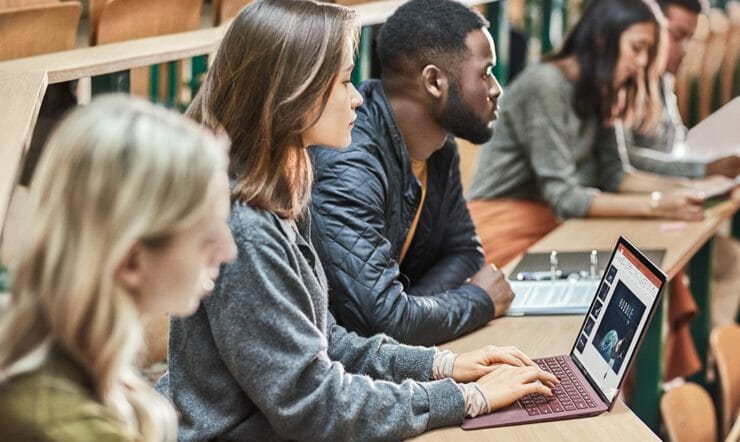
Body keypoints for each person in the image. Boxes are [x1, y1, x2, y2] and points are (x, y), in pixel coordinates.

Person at [158, 0, 558, 440]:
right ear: (294, 93)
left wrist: (443, 364)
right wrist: (467, 399)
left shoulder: (281, 195)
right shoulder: (248, 230)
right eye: (345, 81)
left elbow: (326, 340)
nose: (357, 97)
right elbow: (313, 403)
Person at [0, 95, 237, 441]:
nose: (228, 251)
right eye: (205, 235)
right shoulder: (64, 427)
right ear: (131, 261)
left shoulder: (65, 366)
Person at [466, 0, 735, 268]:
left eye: (648, 52)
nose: (641, 62)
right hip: (503, 228)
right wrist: (660, 204)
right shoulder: (544, 84)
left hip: (559, 226)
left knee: (651, 267)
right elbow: (565, 197)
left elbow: (615, 174)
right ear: (601, 39)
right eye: (637, 48)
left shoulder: (603, 86)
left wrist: (695, 189)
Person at [309, 0, 511, 346]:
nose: (496, 89)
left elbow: (464, 252)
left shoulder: (438, 149)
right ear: (434, 81)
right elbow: (381, 321)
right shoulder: (349, 161)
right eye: (485, 72)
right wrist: (478, 301)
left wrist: (413, 311)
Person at [626, 0, 740, 178]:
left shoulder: (663, 78)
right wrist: (703, 169)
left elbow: (676, 141)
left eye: (690, 39)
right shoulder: (625, 80)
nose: (686, 49)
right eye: (678, 36)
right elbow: (622, 161)